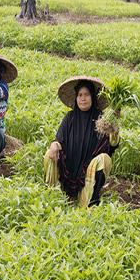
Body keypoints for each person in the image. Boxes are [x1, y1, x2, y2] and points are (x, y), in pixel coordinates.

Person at [43, 76, 119, 207]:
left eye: (87, 95)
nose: (83, 98)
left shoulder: (102, 119)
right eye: (80, 95)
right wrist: (54, 145)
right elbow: (59, 139)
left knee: (104, 159)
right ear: (76, 98)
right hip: (69, 167)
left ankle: (90, 201)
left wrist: (114, 127)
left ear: (93, 97)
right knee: (49, 154)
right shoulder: (70, 117)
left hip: (89, 169)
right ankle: (54, 197)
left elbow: (112, 144)